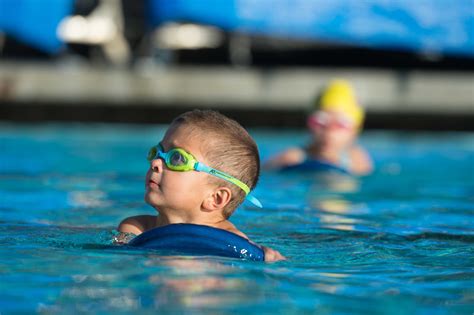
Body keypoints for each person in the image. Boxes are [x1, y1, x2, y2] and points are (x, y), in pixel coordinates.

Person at [117, 109, 285, 262]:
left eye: (177, 158)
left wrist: (267, 257)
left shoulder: (232, 240)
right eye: (157, 152)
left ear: (216, 197)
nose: (155, 163)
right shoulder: (136, 228)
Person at [264, 79, 373, 175]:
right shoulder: (292, 158)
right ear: (308, 123)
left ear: (355, 130)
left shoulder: (357, 161)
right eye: (321, 121)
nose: (329, 131)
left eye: (341, 124)